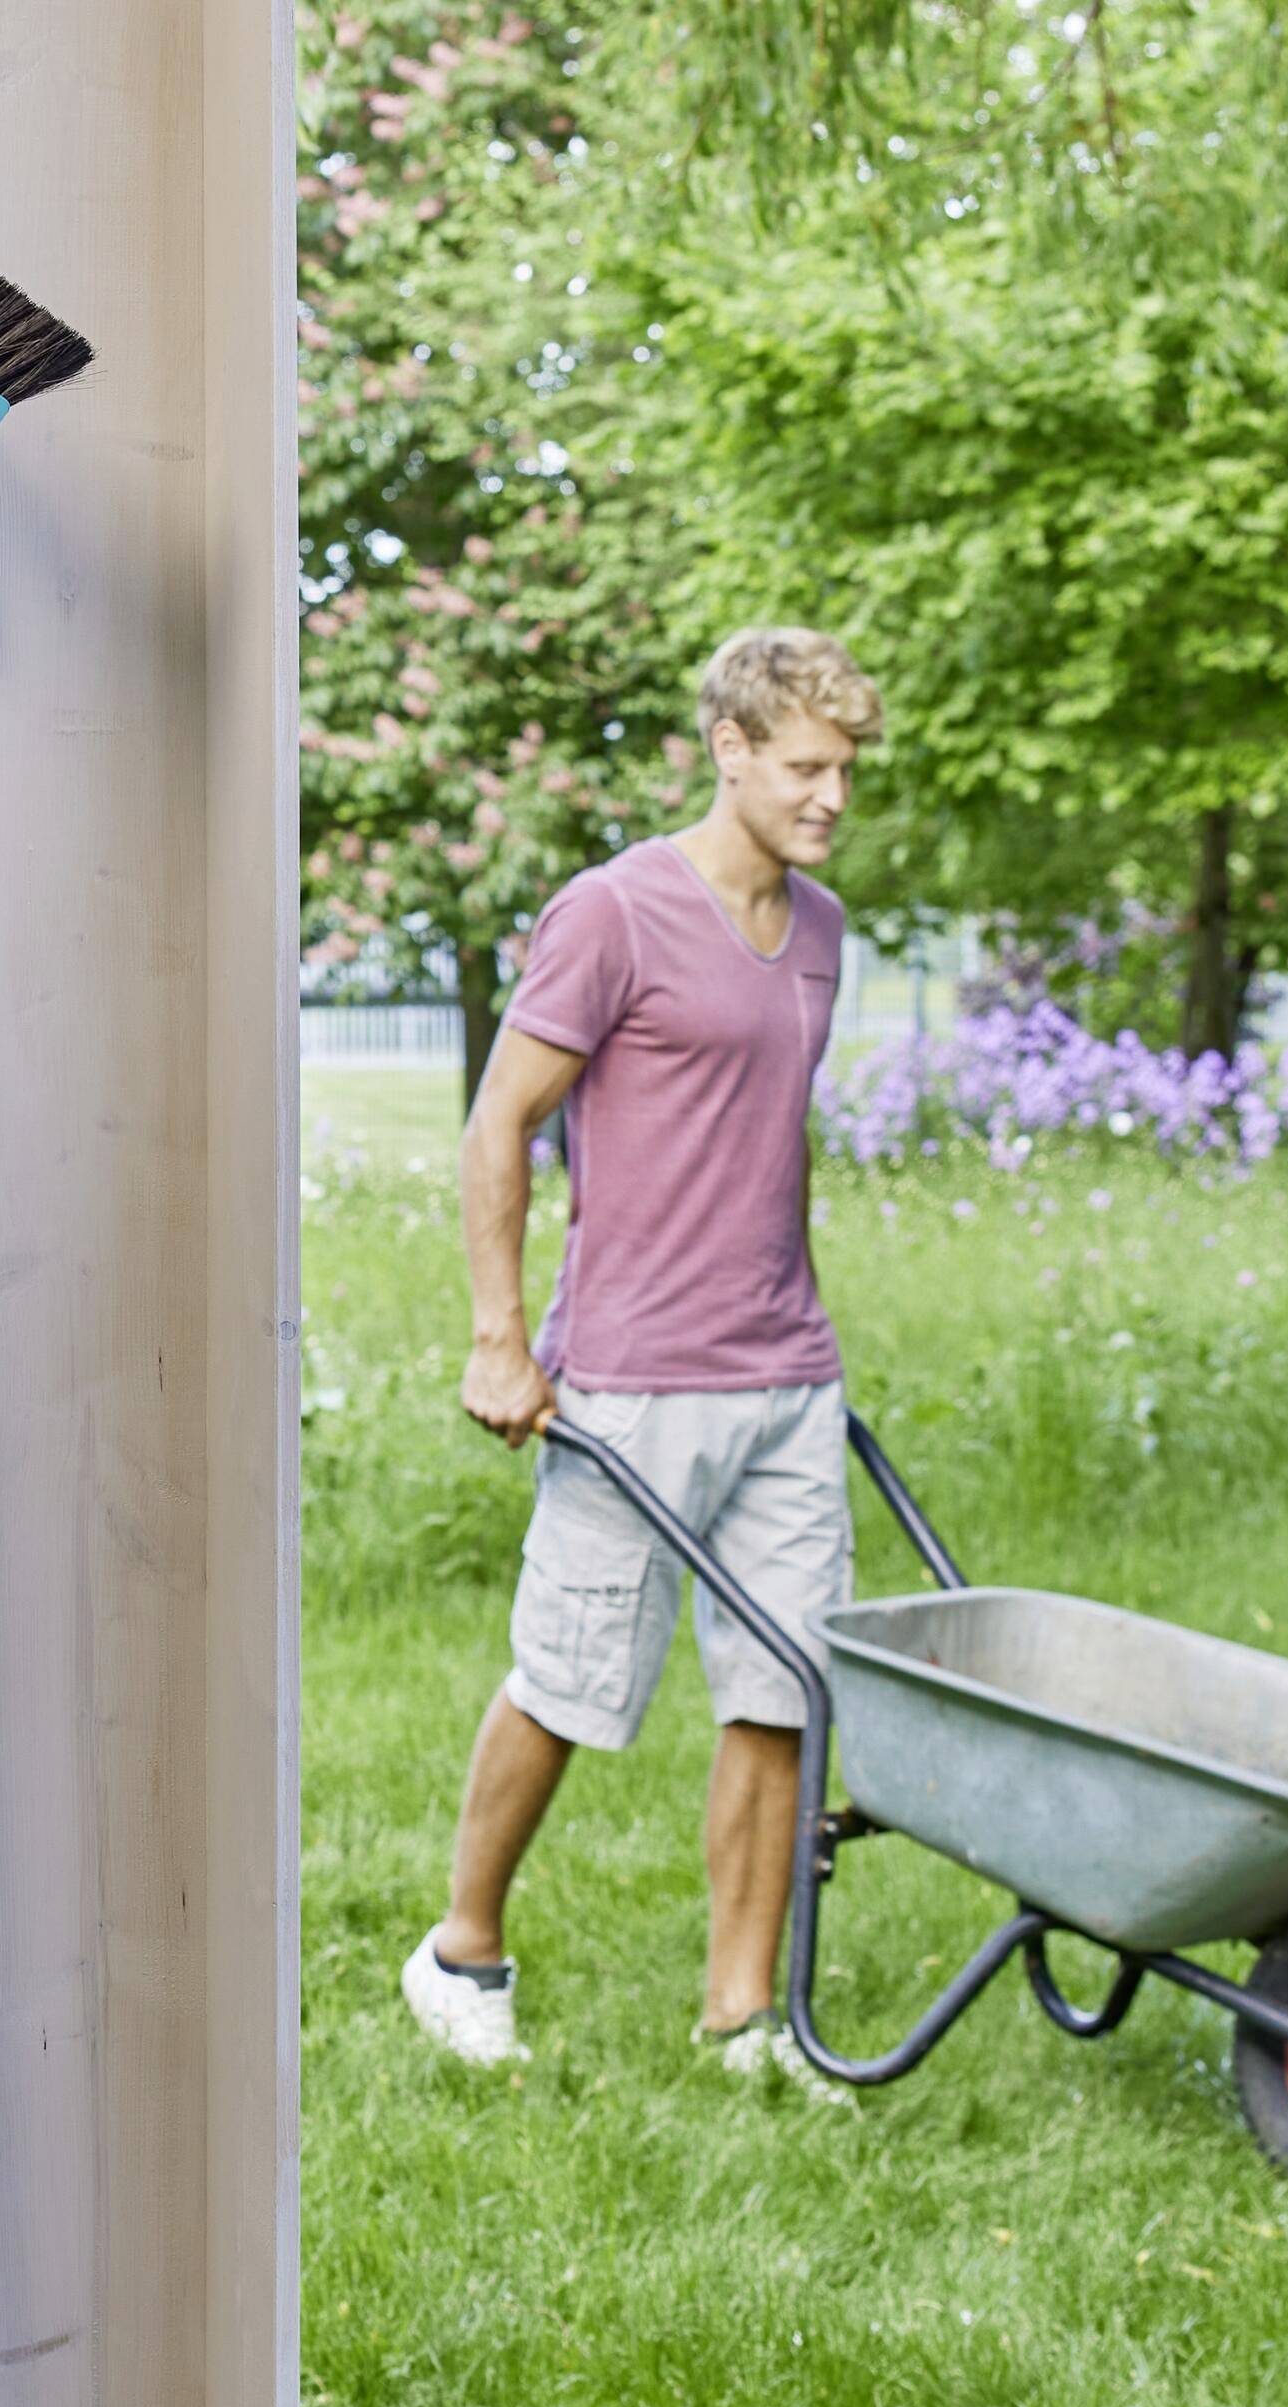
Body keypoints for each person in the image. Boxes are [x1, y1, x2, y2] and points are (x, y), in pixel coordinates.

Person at [400, 626, 880, 2095]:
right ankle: (462, 1948)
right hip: (631, 1375)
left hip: (786, 1374)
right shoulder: (613, 913)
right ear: (728, 747)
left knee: (782, 1685)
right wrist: (500, 1333)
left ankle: (742, 2012)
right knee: (570, 1682)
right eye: (806, 766)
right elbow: (503, 1124)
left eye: (847, 769)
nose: (831, 795)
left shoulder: (822, 931)